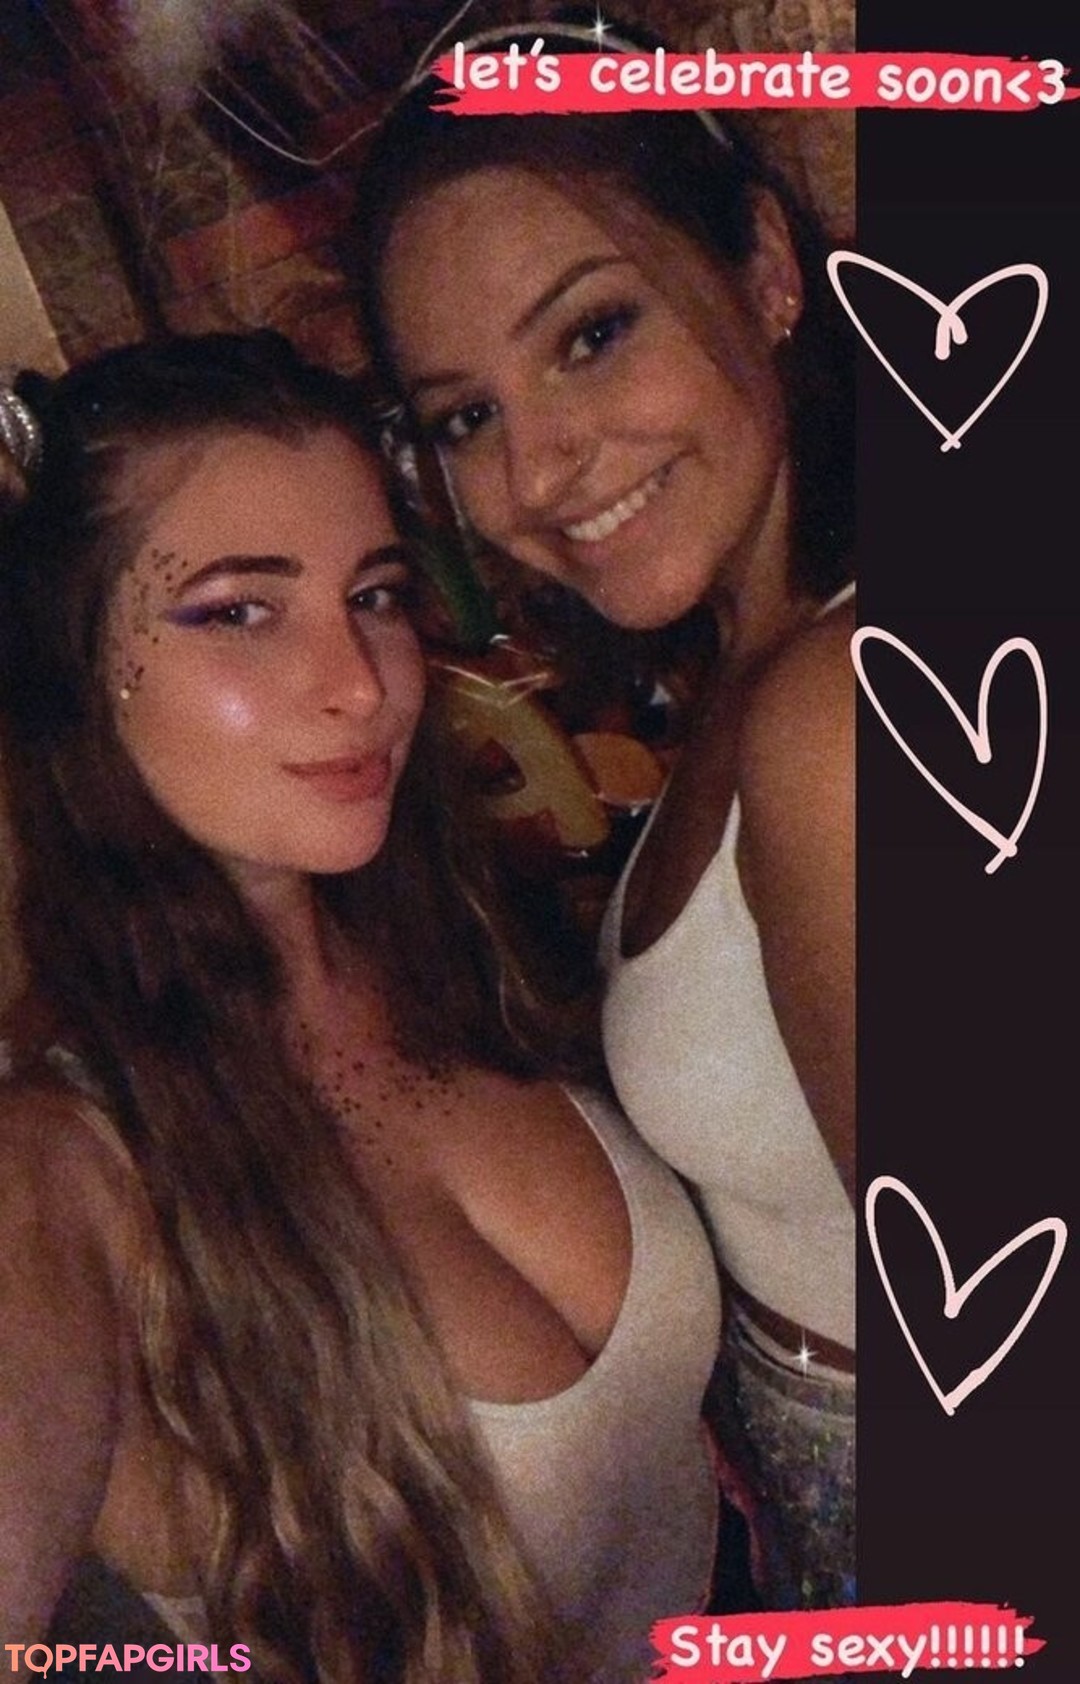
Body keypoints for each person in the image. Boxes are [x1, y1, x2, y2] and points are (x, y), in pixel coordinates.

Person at [0, 330, 724, 1683]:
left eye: (376, 594)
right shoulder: (67, 1166)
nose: (362, 682)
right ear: (77, 668)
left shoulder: (465, 948)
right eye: (238, 610)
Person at [350, 8, 856, 1611]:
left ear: (765, 269)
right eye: (466, 418)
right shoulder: (741, 679)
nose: (540, 470)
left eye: (590, 333)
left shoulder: (832, 715)